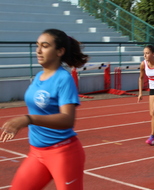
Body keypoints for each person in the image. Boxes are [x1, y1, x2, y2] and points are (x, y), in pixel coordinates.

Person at [0, 29, 88, 190]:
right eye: (37, 46)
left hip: (63, 153)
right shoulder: (39, 77)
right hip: (37, 153)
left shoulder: (63, 79)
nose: (39, 50)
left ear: (60, 51)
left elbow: (68, 119)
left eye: (45, 46)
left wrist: (28, 119)